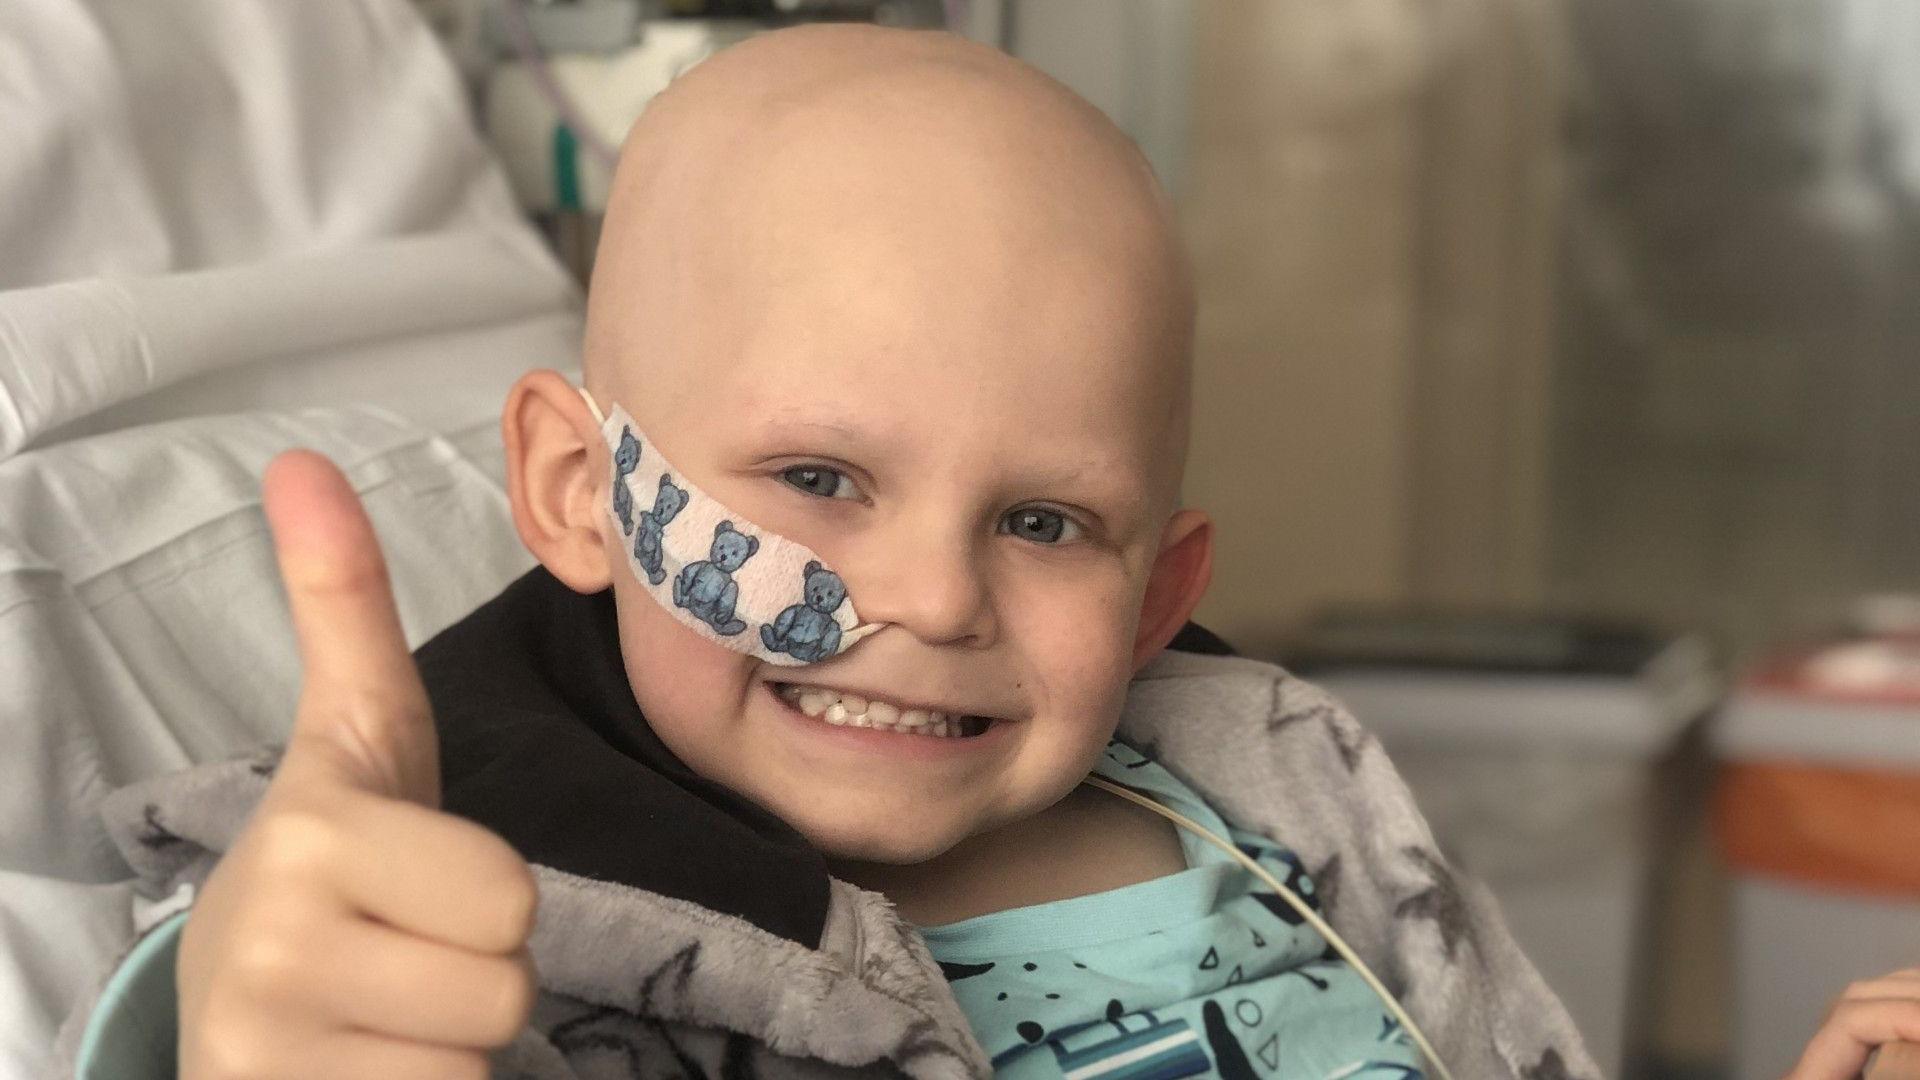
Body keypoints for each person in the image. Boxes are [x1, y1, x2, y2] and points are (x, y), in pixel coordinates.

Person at [50, 23, 1919, 1080]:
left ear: (1163, 590)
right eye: (819, 477)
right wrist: (228, 1024)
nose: (933, 602)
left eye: (1045, 523)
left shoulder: (1281, 808)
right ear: (573, 491)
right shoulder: (472, 888)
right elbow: (305, 973)